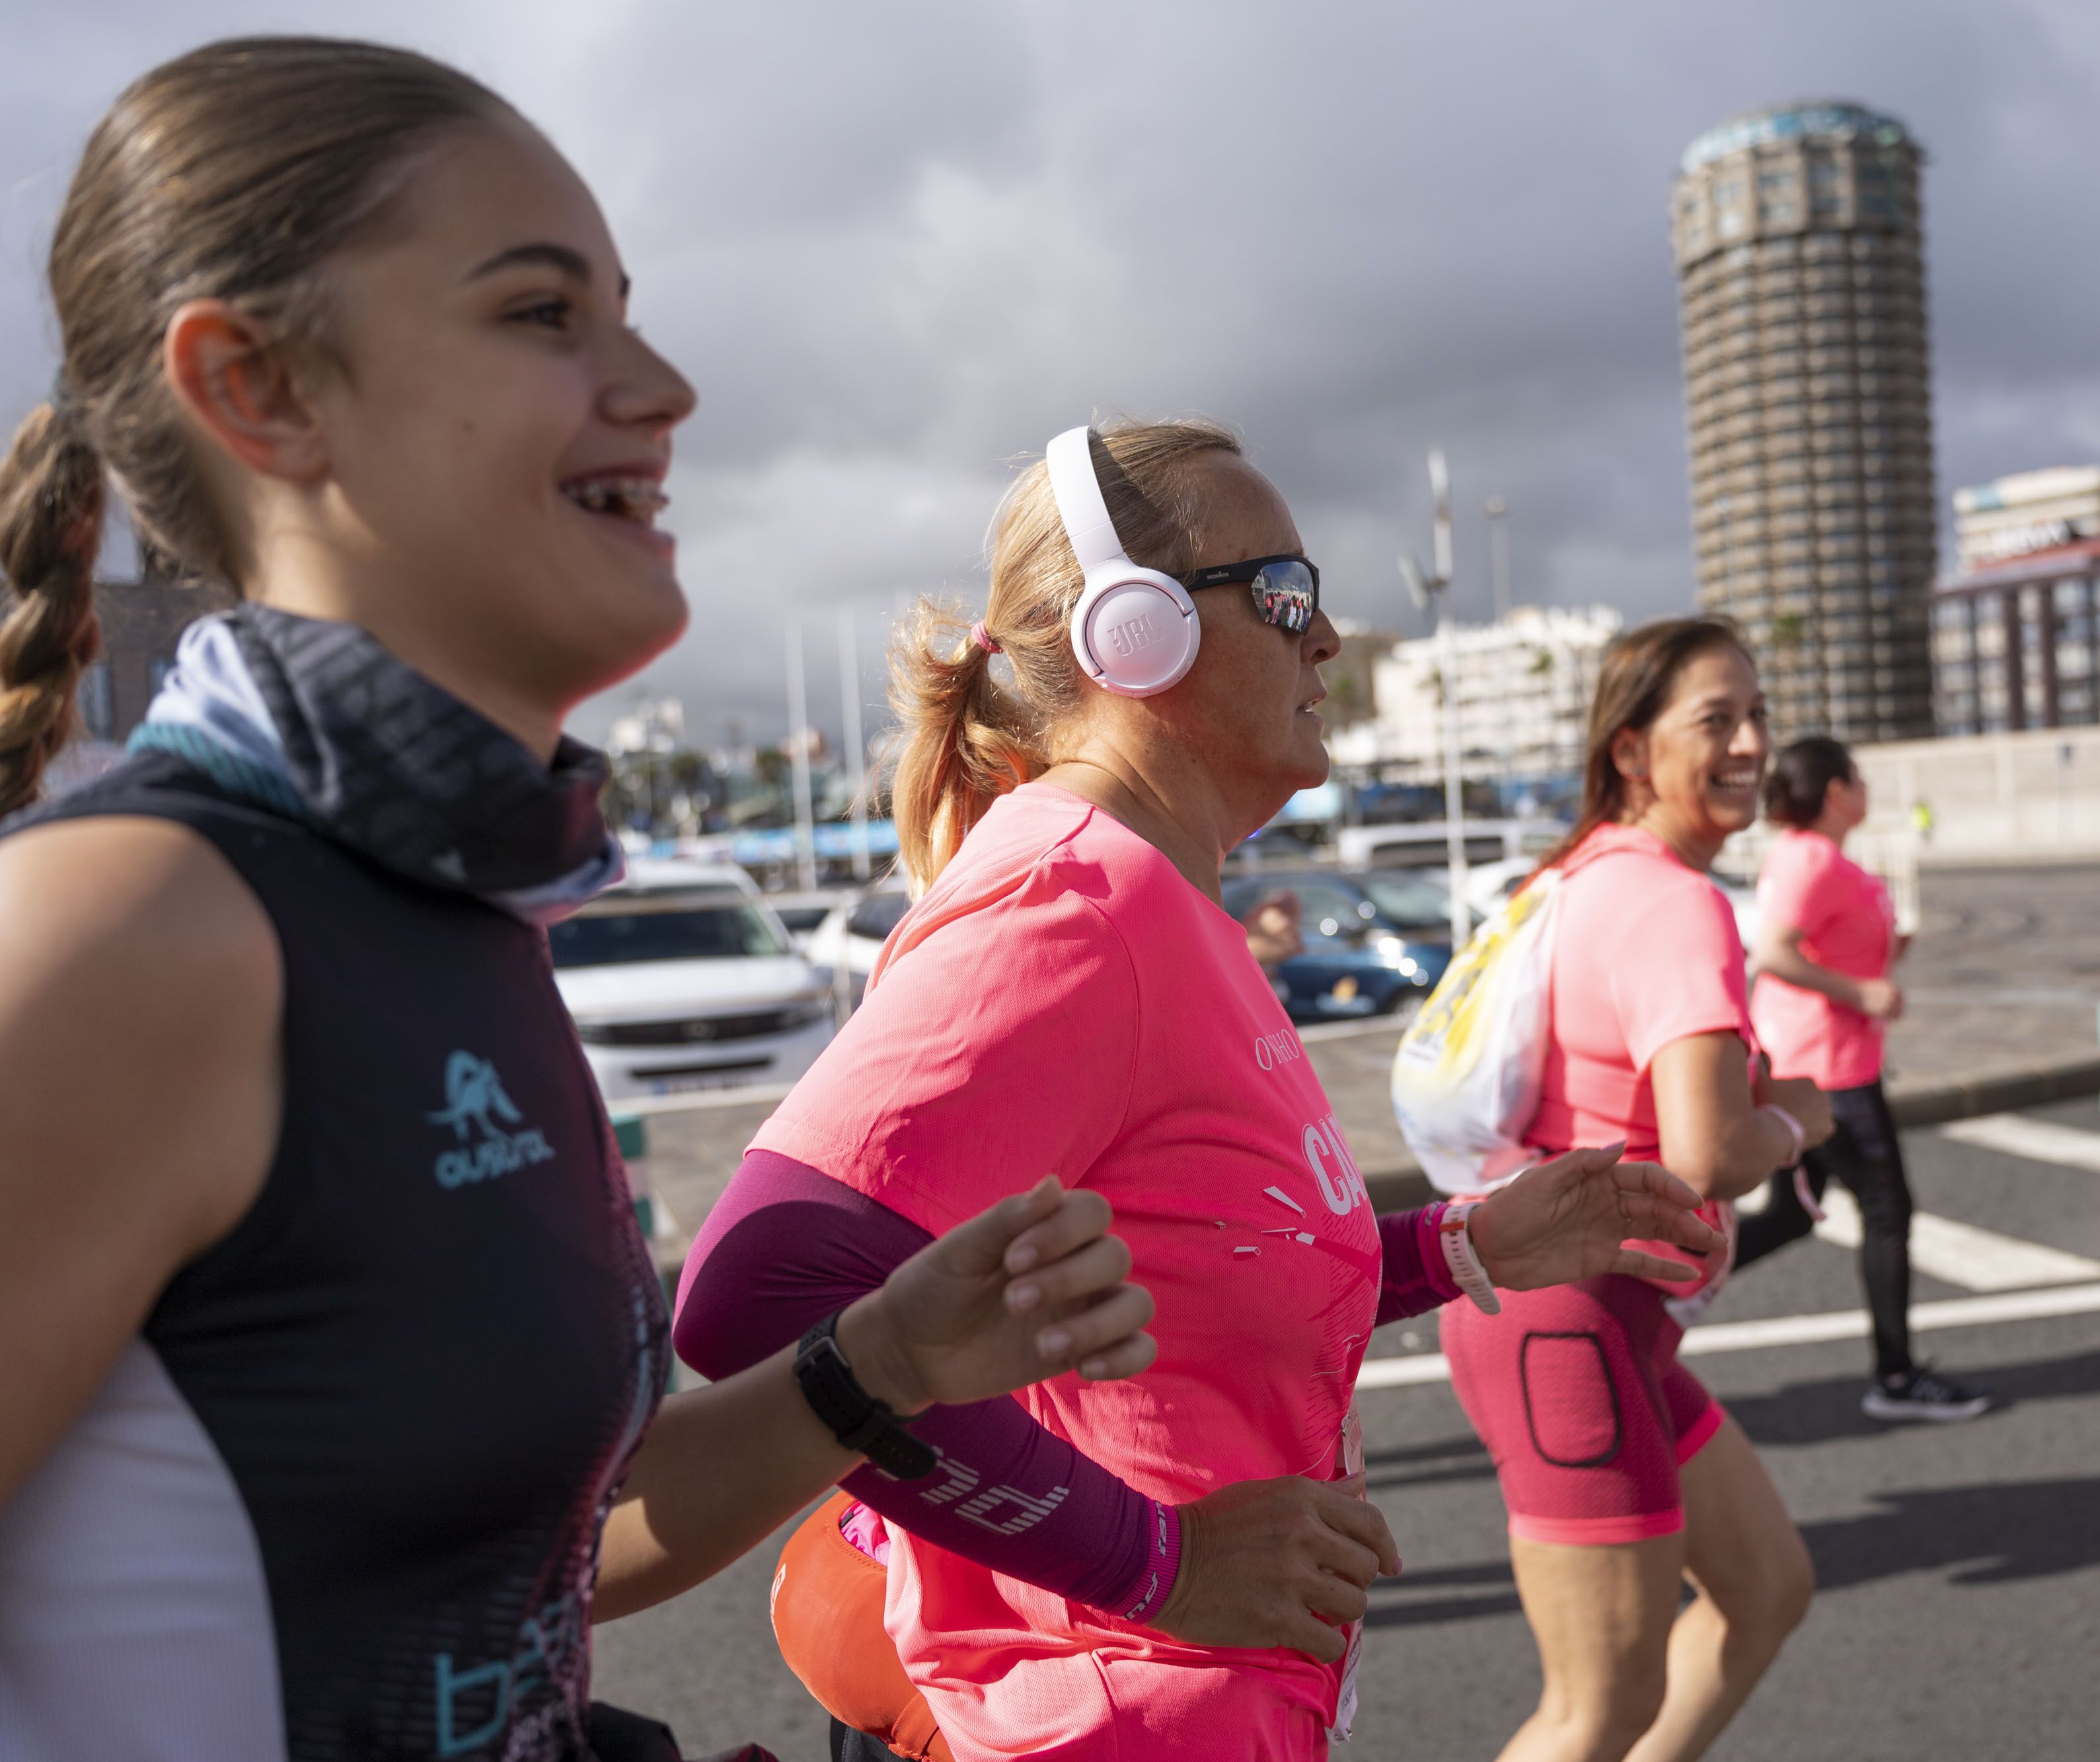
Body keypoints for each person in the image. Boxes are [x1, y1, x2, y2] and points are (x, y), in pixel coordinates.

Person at [0, 39, 1166, 1762]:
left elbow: (538, 1556)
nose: (668, 384)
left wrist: (882, 1361)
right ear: (260, 390)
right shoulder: (129, 930)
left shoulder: (449, 907)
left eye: (628, 309)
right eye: (547, 314)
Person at [669, 420, 1725, 1762]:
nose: (1328, 637)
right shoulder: (1071, 903)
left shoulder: (1163, 906)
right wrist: (1149, 1560)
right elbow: (758, 1288)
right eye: (1286, 596)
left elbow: (1200, 1262)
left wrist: (1465, 1243)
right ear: (1131, 637)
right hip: (1100, 1712)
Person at [1439, 616, 1828, 1762]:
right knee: (1595, 1705)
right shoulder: (1671, 899)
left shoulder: (1582, 873)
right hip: (1573, 1326)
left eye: (1757, 714)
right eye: (1716, 720)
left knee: (1767, 1588)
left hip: (1598, 1319)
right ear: (1630, 750)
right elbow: (1708, 1150)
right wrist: (1800, 1117)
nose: (1751, 741)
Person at [1733, 735, 1988, 1420]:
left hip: (1827, 1063)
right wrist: (1860, 991)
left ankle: (1671, 1293)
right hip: (1826, 1070)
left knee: (1792, 1214)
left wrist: (1881, 957)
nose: (1866, 787)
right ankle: (1897, 1378)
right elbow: (1775, 955)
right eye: (1858, 777)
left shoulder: (1818, 858)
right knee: (1887, 1210)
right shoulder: (1806, 860)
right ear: (1837, 791)